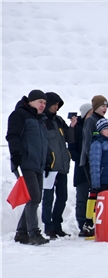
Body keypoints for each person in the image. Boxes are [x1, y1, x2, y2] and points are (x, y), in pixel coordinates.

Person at [6, 90, 50, 245]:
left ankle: (22, 232)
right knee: (33, 197)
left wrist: (48, 158)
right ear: (30, 101)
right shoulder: (20, 115)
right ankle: (33, 233)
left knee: (35, 197)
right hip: (26, 162)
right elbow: (13, 135)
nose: (43, 105)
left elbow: (43, 142)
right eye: (40, 102)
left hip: (37, 163)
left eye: (45, 103)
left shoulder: (40, 119)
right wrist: (16, 153)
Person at [41, 92, 75, 239]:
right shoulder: (41, 121)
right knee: (48, 198)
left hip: (62, 166)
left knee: (62, 197)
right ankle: (48, 227)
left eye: (58, 105)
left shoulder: (59, 120)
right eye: (55, 104)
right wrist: (46, 162)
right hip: (49, 166)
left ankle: (57, 226)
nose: (56, 107)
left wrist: (72, 126)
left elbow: (69, 138)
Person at [80, 95, 108, 236]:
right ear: (95, 107)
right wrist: (92, 161)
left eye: (106, 106)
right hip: (91, 161)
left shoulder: (103, 121)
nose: (105, 109)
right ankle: (88, 222)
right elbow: (87, 142)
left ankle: (98, 220)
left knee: (100, 191)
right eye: (102, 106)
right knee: (94, 190)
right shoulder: (91, 121)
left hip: (102, 162)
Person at [88, 118, 108, 228]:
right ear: (100, 130)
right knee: (98, 202)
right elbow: (95, 163)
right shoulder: (97, 143)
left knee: (105, 203)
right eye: (106, 129)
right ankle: (92, 223)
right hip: (101, 179)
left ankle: (104, 224)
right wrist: (96, 182)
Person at [68, 103, 93, 236]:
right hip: (81, 167)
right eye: (90, 113)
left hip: (94, 168)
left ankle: (92, 223)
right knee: (82, 198)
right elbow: (71, 148)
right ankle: (82, 224)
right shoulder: (77, 128)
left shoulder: (96, 125)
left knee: (94, 198)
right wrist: (81, 159)